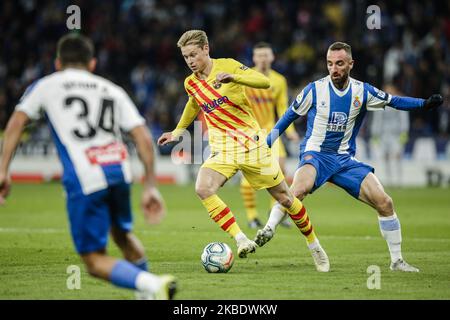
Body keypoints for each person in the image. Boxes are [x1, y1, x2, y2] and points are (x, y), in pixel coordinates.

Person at [0, 33, 177, 299]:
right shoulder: (111, 90)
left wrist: (3, 169)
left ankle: (152, 284)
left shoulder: (47, 85)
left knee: (94, 260)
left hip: (85, 176)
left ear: (58, 63)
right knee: (122, 235)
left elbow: (16, 122)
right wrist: (150, 185)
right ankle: (147, 292)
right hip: (119, 170)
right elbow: (142, 137)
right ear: (92, 64)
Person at [257, 41, 443, 272]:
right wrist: (266, 143)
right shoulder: (314, 90)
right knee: (298, 190)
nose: (333, 69)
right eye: (329, 63)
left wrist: (424, 104)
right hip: (317, 155)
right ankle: (269, 228)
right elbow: (288, 116)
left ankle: (396, 261)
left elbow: (394, 101)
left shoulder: (362, 91)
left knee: (384, 202)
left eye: (339, 64)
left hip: (345, 160)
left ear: (350, 64)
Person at [158, 30, 329, 272]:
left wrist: (234, 78)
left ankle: (314, 245)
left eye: (193, 54)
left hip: (251, 144)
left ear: (206, 49)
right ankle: (241, 238)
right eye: (185, 57)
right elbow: (193, 103)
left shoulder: (228, 65)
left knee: (285, 198)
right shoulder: (191, 82)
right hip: (223, 148)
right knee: (203, 188)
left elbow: (264, 82)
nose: (190, 61)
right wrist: (177, 132)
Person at [241, 42, 299, 229]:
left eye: (266, 55)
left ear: (272, 57)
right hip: (249, 132)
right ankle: (251, 217)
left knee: (280, 170)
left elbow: (282, 107)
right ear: (254, 58)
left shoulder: (279, 80)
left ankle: (273, 210)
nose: (263, 59)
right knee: (249, 175)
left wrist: (290, 131)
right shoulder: (245, 76)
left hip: (271, 130)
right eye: (259, 55)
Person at [370, 84, 409, 186]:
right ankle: (389, 180)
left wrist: (404, 132)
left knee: (397, 156)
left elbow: (403, 118)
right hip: (384, 135)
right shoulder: (380, 103)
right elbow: (377, 120)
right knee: (386, 158)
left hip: (396, 135)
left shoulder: (399, 102)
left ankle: (399, 180)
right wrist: (375, 134)